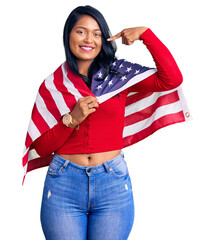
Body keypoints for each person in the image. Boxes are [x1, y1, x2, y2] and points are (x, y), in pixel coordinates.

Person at [25, 5, 184, 240]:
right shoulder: (53, 84)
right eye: (81, 31)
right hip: (63, 185)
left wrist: (146, 35)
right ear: (68, 35)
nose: (89, 39)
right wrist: (71, 119)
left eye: (97, 33)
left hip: (112, 183)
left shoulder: (119, 75)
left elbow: (171, 79)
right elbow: (42, 148)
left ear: (104, 38)